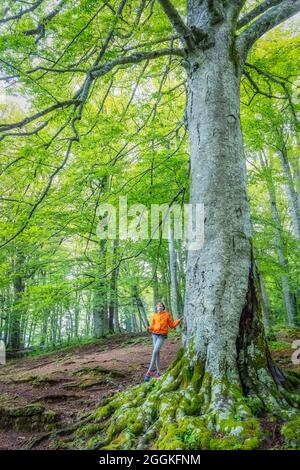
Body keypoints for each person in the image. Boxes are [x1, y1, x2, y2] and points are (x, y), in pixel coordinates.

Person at [144, 301, 182, 381]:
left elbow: (171, 325)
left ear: (163, 307)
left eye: (161, 306)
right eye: (158, 306)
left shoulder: (167, 314)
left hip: (162, 335)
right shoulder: (154, 315)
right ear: (156, 308)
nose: (159, 307)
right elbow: (153, 325)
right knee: (157, 353)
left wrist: (178, 321)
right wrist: (149, 328)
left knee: (155, 351)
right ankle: (158, 372)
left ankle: (149, 372)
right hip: (154, 334)